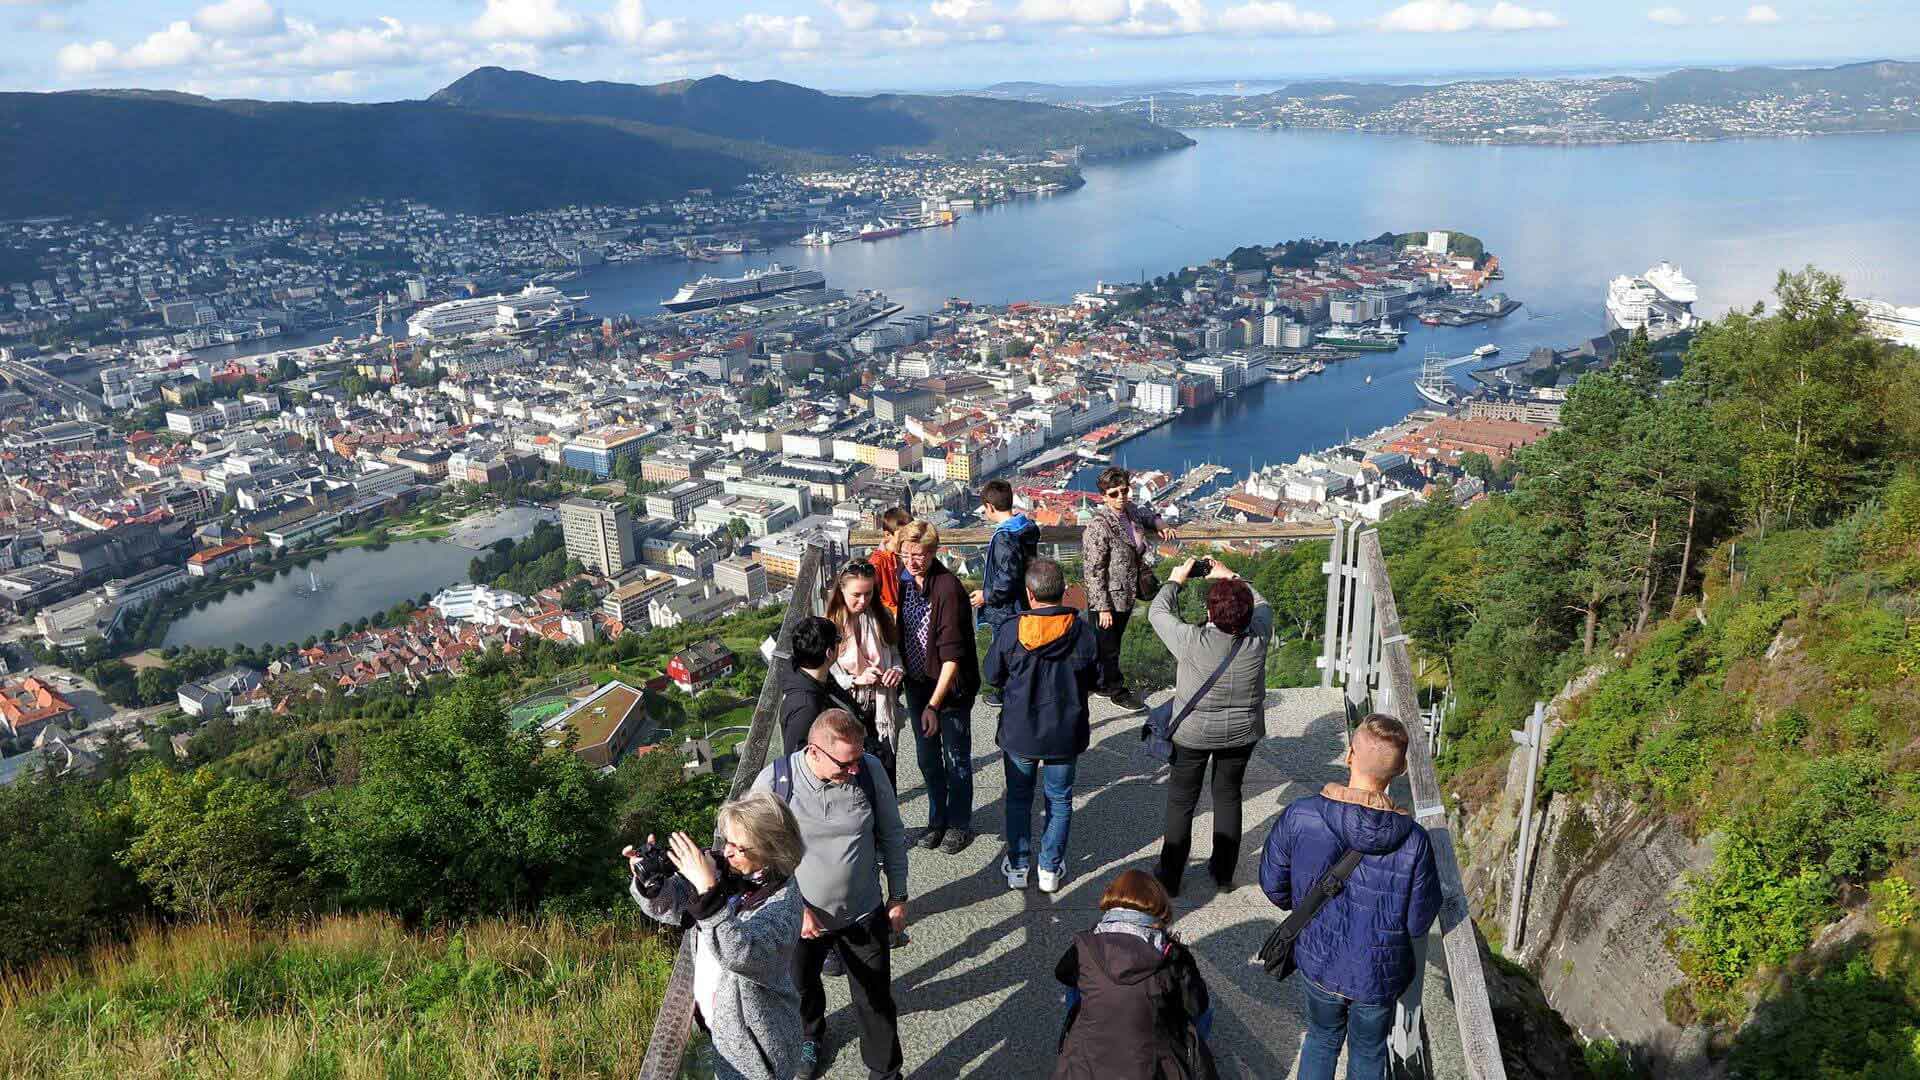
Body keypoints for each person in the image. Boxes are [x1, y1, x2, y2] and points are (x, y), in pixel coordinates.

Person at [1259, 714, 1441, 1080]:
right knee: (1370, 1052)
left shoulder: (1301, 815)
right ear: (1401, 769)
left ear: (1349, 756)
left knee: (1322, 1039)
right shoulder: (1415, 842)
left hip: (1319, 960)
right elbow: (1418, 922)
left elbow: (1273, 885)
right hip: (1378, 974)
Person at [753, 709, 912, 1080]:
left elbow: (892, 833)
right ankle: (810, 1037)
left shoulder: (869, 771)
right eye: (846, 763)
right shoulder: (776, 782)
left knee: (875, 1000)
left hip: (862, 912)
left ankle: (886, 1071)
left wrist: (898, 896)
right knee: (801, 986)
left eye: (859, 757)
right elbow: (757, 856)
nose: (855, 769)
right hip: (800, 920)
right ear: (814, 752)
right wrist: (793, 906)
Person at [626, 793, 807, 1080]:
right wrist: (652, 882)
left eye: (739, 846)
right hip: (720, 1027)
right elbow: (673, 907)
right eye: (726, 842)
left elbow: (742, 954)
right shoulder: (734, 875)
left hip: (757, 1051)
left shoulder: (784, 906)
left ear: (772, 848)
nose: (728, 852)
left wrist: (708, 891)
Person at [1148, 557, 1272, 896]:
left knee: (1181, 802)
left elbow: (1156, 613)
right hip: (1242, 731)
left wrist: (1176, 579)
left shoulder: (1192, 640)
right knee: (1228, 796)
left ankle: (1170, 876)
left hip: (1193, 733)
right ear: (1247, 615)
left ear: (1210, 613)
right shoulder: (1259, 636)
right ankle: (1223, 872)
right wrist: (1232, 575)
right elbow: (1262, 603)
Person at [983, 557, 1098, 893]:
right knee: (1059, 800)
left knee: (1019, 798)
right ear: (1063, 592)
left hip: (1020, 729)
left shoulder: (1011, 630)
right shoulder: (1082, 632)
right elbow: (1098, 677)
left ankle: (1019, 865)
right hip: (1065, 728)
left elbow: (992, 674)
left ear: (1029, 595)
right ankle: (1049, 867)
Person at [1052, 869, 1217, 1080]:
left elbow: (1062, 974)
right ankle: (1189, 1056)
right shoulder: (1173, 956)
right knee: (1204, 1012)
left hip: (1085, 1065)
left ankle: (1090, 1021)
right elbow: (1196, 1006)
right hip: (1151, 1065)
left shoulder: (1086, 945)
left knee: (1079, 980)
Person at [894, 520, 982, 854]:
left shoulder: (948, 589)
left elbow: (952, 655)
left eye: (919, 554)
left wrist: (935, 704)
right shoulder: (904, 583)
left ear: (933, 552)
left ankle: (959, 823)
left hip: (950, 687)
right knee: (927, 757)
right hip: (918, 683)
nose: (912, 561)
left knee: (955, 755)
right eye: (906, 554)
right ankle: (937, 819)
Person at [1082, 466, 1174, 709]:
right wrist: (1101, 607)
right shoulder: (1098, 526)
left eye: (1124, 490)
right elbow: (1093, 570)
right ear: (1103, 496)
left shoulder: (1131, 511)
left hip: (1127, 592)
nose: (1121, 496)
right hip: (1107, 598)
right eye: (1113, 493)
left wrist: (1160, 523)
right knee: (1108, 646)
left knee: (1111, 642)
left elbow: (1146, 514)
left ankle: (1098, 684)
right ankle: (1116, 691)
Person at [826, 559, 906, 784]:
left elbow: (896, 653)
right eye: (856, 595)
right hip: (850, 707)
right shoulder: (831, 625)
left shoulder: (883, 616)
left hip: (883, 704)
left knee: (886, 770)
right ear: (841, 591)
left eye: (869, 594)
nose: (863, 601)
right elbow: (827, 673)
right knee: (856, 773)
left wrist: (897, 670)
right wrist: (855, 680)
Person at [971, 478, 1039, 709]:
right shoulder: (1026, 528)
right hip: (1027, 598)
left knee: (1004, 648)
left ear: (989, 507)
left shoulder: (1004, 537)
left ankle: (1005, 692)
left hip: (1007, 606)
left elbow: (1006, 578)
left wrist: (986, 596)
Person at [779, 615, 864, 757]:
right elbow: (795, 761)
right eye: (838, 640)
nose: (840, 643)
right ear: (829, 653)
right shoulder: (805, 708)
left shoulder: (816, 679)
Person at [866, 506, 913, 617]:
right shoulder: (877, 563)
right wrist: (896, 613)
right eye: (902, 535)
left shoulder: (906, 554)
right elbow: (872, 600)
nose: (908, 539)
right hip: (893, 621)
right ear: (887, 535)